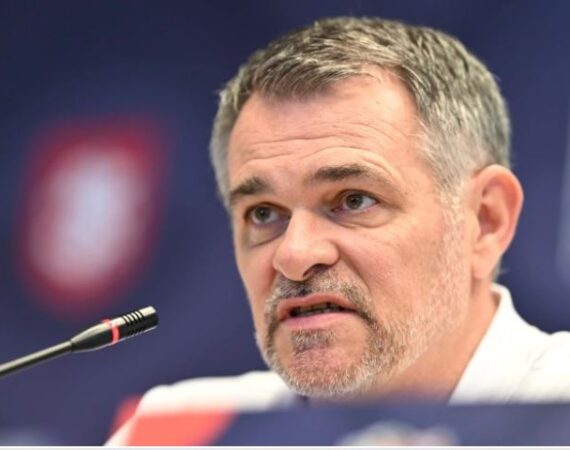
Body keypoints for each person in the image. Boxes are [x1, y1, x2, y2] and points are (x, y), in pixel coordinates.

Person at [107, 16, 570, 444]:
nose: (294, 255)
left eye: (354, 201)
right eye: (264, 213)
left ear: (485, 220)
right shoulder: (182, 430)